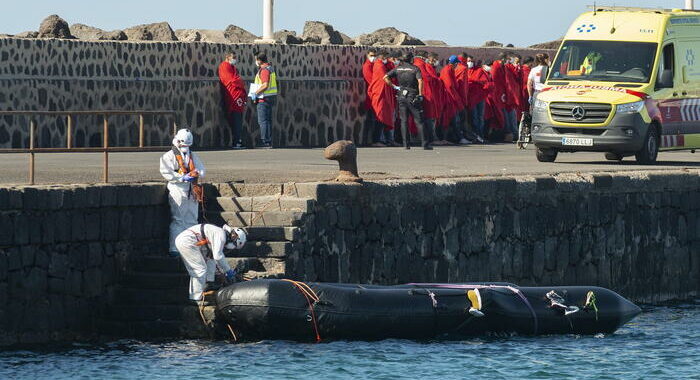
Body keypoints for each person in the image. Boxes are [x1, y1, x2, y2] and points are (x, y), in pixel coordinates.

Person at [160, 129, 206, 257]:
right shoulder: (168, 156)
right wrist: (182, 178)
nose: (186, 148)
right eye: (184, 145)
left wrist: (196, 173)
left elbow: (202, 169)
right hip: (177, 189)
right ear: (178, 141)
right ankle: (174, 248)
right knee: (178, 220)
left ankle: (192, 246)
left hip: (192, 189)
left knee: (192, 219)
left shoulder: (192, 156)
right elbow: (166, 172)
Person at [175, 223, 247, 302]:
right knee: (199, 269)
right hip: (187, 242)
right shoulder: (221, 235)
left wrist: (216, 275)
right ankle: (195, 298)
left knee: (210, 259)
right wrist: (229, 271)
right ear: (235, 238)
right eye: (234, 245)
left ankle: (209, 283)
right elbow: (218, 256)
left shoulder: (217, 234)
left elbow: (212, 257)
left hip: (188, 242)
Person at [384, 52, 432, 150]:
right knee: (419, 120)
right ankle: (425, 144)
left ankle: (406, 144)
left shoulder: (398, 69)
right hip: (412, 95)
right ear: (411, 59)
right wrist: (420, 94)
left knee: (404, 121)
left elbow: (385, 77)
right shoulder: (415, 69)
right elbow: (420, 81)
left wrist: (394, 86)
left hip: (401, 95)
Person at [218, 52, 247, 149]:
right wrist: (240, 81)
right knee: (235, 119)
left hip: (238, 97)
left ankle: (238, 139)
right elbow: (231, 80)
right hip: (232, 96)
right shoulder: (224, 66)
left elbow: (237, 79)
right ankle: (236, 141)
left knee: (238, 120)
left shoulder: (232, 67)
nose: (235, 59)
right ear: (227, 57)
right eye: (233, 57)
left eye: (235, 57)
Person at [368, 50, 396, 147]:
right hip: (379, 93)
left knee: (384, 117)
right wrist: (394, 86)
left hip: (383, 93)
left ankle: (385, 140)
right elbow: (385, 78)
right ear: (383, 57)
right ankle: (376, 140)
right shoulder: (379, 66)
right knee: (380, 117)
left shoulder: (381, 65)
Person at [252, 52, 278, 148]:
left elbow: (265, 85)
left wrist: (255, 93)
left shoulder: (264, 70)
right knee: (267, 121)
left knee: (263, 121)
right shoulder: (271, 69)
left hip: (263, 98)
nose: (256, 62)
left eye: (256, 59)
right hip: (270, 98)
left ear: (259, 60)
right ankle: (268, 141)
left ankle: (265, 141)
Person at [440, 55, 467, 144]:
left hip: (451, 97)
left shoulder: (448, 70)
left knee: (452, 119)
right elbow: (449, 86)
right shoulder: (447, 70)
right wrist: (455, 99)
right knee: (453, 119)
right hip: (449, 97)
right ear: (455, 63)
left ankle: (455, 137)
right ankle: (457, 138)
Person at [468, 59, 491, 140]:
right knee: (475, 117)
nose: (470, 62)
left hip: (480, 97)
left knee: (480, 117)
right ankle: (476, 135)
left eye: (471, 61)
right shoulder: (475, 71)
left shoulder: (481, 71)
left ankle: (480, 135)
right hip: (473, 97)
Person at [362, 49, 379, 146]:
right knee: (371, 119)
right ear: (367, 55)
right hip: (371, 96)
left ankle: (370, 140)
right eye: (372, 55)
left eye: (375, 55)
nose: (373, 57)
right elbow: (372, 80)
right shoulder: (367, 66)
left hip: (374, 95)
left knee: (373, 119)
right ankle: (370, 140)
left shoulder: (374, 65)